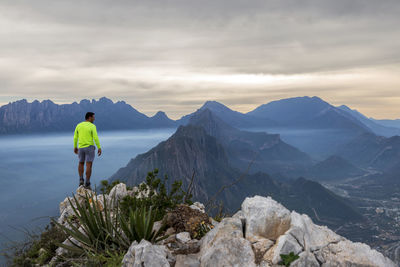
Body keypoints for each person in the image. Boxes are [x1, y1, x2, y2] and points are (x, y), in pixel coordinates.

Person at [73, 112, 102, 189]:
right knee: (89, 165)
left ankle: (81, 180)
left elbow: (75, 137)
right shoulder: (92, 126)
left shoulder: (78, 125)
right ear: (89, 117)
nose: (94, 118)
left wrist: (75, 147)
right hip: (89, 147)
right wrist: (99, 147)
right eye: (93, 117)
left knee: (81, 163)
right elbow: (95, 137)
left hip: (81, 148)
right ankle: (87, 183)